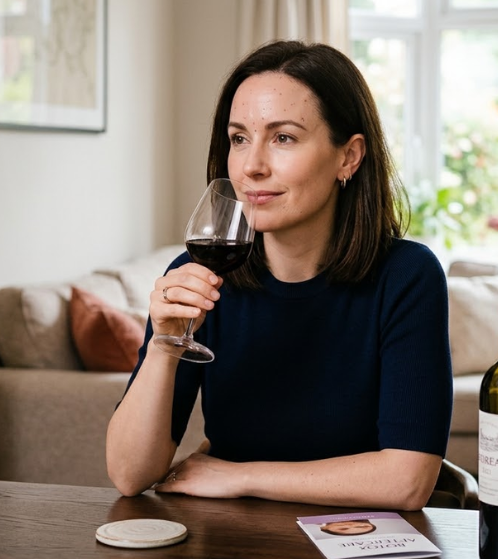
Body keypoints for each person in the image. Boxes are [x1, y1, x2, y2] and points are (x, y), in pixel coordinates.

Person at [106, 40, 452, 511]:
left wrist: (238, 477)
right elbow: (129, 475)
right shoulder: (198, 278)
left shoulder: (407, 277)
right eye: (239, 138)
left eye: (283, 137)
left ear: (348, 157)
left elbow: (407, 481)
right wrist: (165, 346)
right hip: (231, 540)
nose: (252, 166)